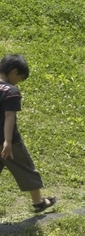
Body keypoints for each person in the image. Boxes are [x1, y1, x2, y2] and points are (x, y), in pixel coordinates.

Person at [0, 54, 56, 214]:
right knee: (26, 168)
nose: (18, 82)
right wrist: (7, 141)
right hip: (9, 143)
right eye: (20, 78)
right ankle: (38, 203)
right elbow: (9, 116)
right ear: (14, 72)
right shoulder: (11, 91)